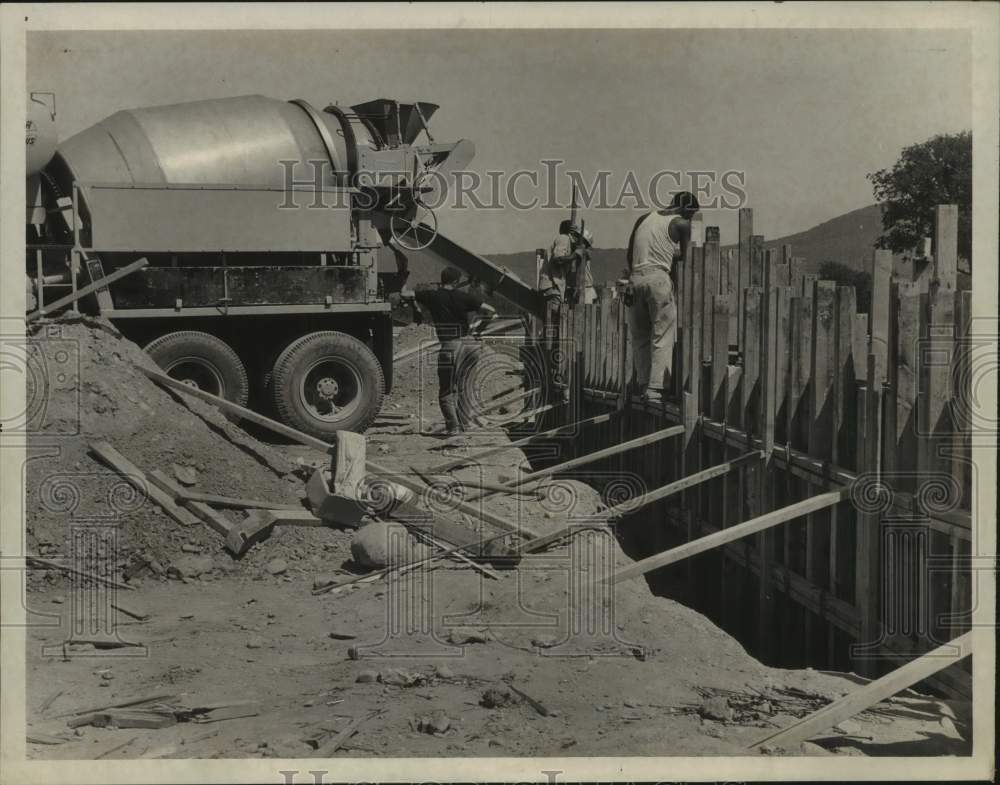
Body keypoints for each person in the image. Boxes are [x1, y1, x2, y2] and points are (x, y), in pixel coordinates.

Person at [625, 190, 700, 403]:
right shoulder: (681, 224)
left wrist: (632, 278)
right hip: (658, 279)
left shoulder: (643, 218)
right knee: (663, 333)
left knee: (640, 335)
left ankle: (643, 384)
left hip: (635, 279)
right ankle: (655, 388)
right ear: (686, 208)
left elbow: (630, 254)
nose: (690, 219)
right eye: (691, 214)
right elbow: (686, 258)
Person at [403, 267, 497, 435]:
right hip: (470, 345)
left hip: (450, 346)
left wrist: (415, 307)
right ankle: (465, 425)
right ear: (456, 281)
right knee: (465, 388)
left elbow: (405, 294)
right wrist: (479, 330)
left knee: (446, 391)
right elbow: (491, 311)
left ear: (442, 279)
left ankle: (453, 428)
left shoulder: (432, 296)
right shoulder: (464, 297)